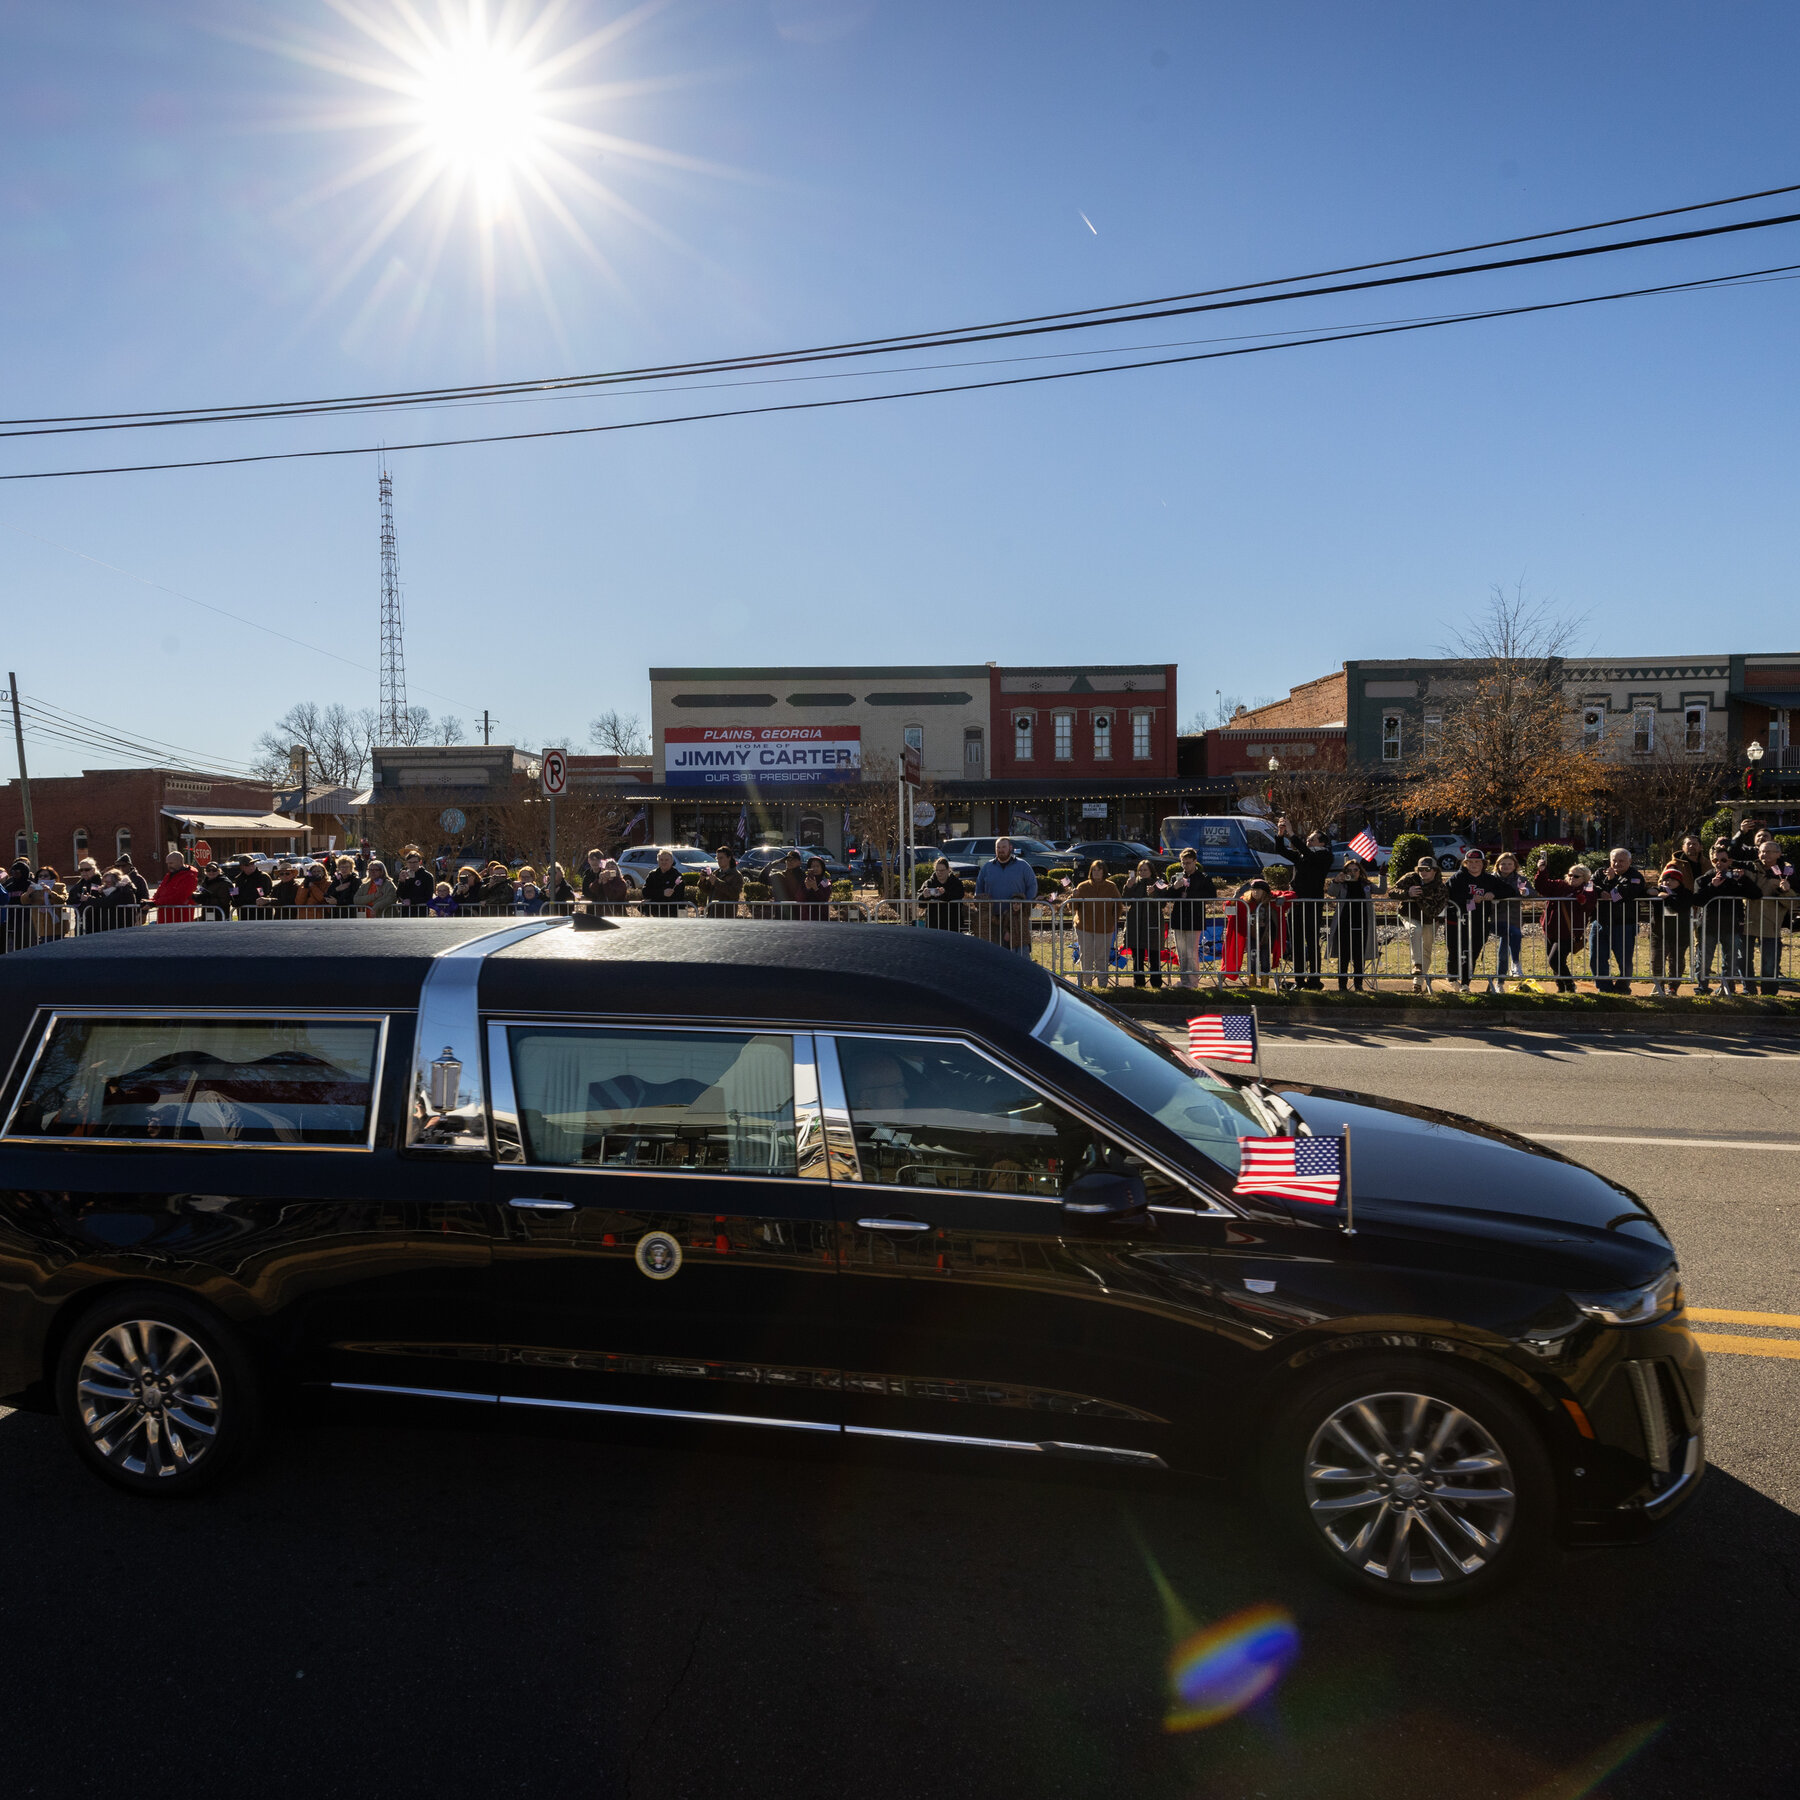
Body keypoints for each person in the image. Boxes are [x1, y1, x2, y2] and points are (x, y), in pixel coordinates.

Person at [1273, 818, 1334, 990]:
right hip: (1296, 902)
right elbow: (1280, 850)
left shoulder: (1325, 855)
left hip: (1312, 903)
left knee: (1312, 941)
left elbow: (1309, 855)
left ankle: (1314, 979)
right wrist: (1281, 833)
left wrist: (1292, 834)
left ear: (1322, 843)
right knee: (1297, 942)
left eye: (1312, 839)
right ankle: (1299, 979)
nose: (1308, 841)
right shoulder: (1302, 853)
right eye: (1307, 839)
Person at [1692, 841, 1759, 995]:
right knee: (1704, 960)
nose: (1719, 863)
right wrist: (1712, 887)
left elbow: (1756, 894)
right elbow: (1697, 900)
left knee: (1731, 959)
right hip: (1708, 926)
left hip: (1732, 925)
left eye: (1723, 860)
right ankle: (1702, 987)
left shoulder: (1736, 878)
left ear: (1729, 861)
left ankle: (1726, 986)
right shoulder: (1703, 879)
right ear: (1711, 861)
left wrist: (1742, 880)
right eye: (1715, 860)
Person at [1446, 848, 1509, 991]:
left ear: (1483, 864)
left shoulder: (1490, 880)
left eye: (1477, 862)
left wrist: (1493, 893)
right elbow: (1446, 895)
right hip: (1456, 922)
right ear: (1465, 863)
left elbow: (1509, 890)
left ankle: (1466, 983)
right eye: (1470, 862)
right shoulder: (1457, 878)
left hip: (1479, 923)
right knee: (1455, 951)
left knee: (1472, 953)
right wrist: (1469, 899)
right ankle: (1452, 978)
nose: (1474, 864)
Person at [1533, 860, 1598, 993]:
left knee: (1555, 960)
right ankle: (1561, 988)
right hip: (1550, 930)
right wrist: (1542, 870)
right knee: (1557, 962)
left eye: (1576, 876)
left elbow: (1589, 905)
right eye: (1569, 875)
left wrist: (1582, 899)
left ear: (1584, 878)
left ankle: (1569, 985)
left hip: (1569, 932)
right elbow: (1541, 886)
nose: (1571, 878)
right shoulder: (1559, 885)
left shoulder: (1588, 888)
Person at [1325, 854, 1382, 991]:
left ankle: (1358, 984)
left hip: (1362, 923)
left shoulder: (1365, 884)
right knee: (1344, 956)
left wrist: (1383, 875)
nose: (1352, 873)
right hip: (1344, 923)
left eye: (1355, 870)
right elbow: (1331, 893)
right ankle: (1342, 985)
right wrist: (1336, 881)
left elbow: (1381, 890)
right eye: (1349, 871)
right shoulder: (1342, 885)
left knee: (1359, 956)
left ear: (1360, 871)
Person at [973, 836, 1038, 956]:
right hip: (993, 918)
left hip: (1016, 918)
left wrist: (1025, 905)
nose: (1001, 850)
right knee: (995, 953)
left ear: (1010, 848)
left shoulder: (1023, 866)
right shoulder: (987, 867)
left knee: (1018, 955)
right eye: (998, 847)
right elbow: (979, 888)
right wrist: (980, 904)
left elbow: (1032, 886)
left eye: (1004, 847)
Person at [1395, 857, 1450, 992]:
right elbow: (1393, 891)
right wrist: (1408, 893)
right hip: (1409, 915)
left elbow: (1434, 912)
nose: (1423, 872)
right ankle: (1417, 964)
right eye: (1420, 869)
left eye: (1427, 869)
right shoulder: (1410, 878)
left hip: (1430, 920)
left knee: (1426, 950)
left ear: (1435, 871)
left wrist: (1419, 897)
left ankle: (1417, 983)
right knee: (1415, 929)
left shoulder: (1440, 888)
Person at [1165, 847, 1216, 988]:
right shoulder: (1177, 877)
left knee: (1191, 952)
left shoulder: (1203, 878)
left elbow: (1212, 895)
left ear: (1195, 861)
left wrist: (1190, 896)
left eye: (1188, 863)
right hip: (1179, 919)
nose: (1185, 866)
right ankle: (1184, 980)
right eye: (1183, 863)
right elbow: (1167, 897)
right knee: (1181, 952)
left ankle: (1192, 982)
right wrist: (1175, 887)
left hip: (1195, 918)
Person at [1066, 860, 1122, 989]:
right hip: (1084, 927)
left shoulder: (1111, 886)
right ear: (1091, 872)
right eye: (1094, 870)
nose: (1097, 873)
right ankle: (1087, 985)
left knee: (1102, 957)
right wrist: (1073, 897)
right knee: (1086, 955)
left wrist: (1113, 921)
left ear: (1104, 872)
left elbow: (1118, 906)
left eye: (1099, 870)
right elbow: (1072, 907)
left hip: (1104, 928)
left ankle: (1103, 985)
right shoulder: (1082, 886)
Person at [1749, 841, 1794, 996]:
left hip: (1771, 925)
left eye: (1768, 852)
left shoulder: (1787, 872)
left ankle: (1769, 994)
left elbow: (1794, 904)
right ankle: (1749, 990)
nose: (1764, 855)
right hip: (1747, 923)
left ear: (1778, 854)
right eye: (1761, 851)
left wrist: (1785, 891)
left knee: (1769, 964)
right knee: (1743, 961)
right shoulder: (1750, 869)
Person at [1224, 878, 1286, 988]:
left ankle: (1265, 984)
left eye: (1259, 890)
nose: (1256, 892)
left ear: (1265, 892)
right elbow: (1228, 909)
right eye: (1254, 890)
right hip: (1251, 936)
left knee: (1265, 959)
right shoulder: (1245, 902)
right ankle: (1252, 983)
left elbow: (1292, 894)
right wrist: (1235, 897)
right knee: (1252, 959)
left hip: (1266, 937)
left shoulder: (1271, 901)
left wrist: (1283, 898)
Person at [1648, 862, 1695, 997]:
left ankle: (1673, 987)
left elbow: (1681, 906)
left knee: (1676, 961)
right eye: (1665, 879)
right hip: (1659, 932)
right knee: (1657, 959)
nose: (1668, 882)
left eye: (1672, 879)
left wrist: (1668, 898)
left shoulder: (1686, 893)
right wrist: (1650, 892)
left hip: (1680, 933)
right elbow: (1645, 895)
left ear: (1679, 881)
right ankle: (1659, 986)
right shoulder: (1658, 891)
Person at [1118, 859, 1165, 988]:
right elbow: (1126, 902)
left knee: (1154, 957)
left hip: (1153, 924)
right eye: (1140, 870)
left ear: (1151, 871)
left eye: (1145, 870)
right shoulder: (1134, 882)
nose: (1143, 872)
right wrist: (1127, 887)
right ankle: (1139, 984)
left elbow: (1163, 903)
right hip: (1135, 924)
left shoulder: (1159, 882)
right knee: (1137, 957)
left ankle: (1156, 984)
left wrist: (1153, 893)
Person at [1489, 852, 1529, 986]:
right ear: (1498, 865)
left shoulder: (1520, 879)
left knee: (1503, 953)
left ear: (1515, 866)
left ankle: (1500, 983)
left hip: (1514, 918)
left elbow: (1533, 892)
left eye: (1509, 864)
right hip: (1496, 919)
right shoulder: (1491, 878)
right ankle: (1516, 962)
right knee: (1514, 934)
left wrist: (1525, 893)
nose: (1506, 866)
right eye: (1503, 864)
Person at [918, 855, 967, 932]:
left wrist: (944, 893)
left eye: (942, 870)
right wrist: (924, 895)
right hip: (934, 925)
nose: (939, 873)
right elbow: (920, 903)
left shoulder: (956, 883)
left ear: (948, 870)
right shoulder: (929, 883)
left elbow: (959, 895)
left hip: (953, 924)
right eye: (937, 870)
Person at [150, 850, 201, 923]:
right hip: (164, 918)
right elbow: (159, 892)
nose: (169, 866)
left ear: (180, 862)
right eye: (167, 863)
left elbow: (179, 898)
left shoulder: (189, 876)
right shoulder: (170, 875)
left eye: (171, 863)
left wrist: (155, 903)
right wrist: (150, 901)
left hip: (180, 919)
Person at [640, 848, 688, 916]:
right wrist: (662, 893)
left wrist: (655, 897)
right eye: (661, 860)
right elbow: (645, 891)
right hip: (656, 913)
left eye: (666, 860)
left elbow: (679, 894)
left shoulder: (677, 875)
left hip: (673, 913)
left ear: (671, 861)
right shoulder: (653, 875)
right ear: (658, 861)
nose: (664, 862)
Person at [768, 850, 806, 920]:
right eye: (788, 860)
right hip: (781, 913)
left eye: (793, 860)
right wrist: (776, 862)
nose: (790, 862)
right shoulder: (779, 875)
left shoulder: (804, 877)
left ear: (799, 862)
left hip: (798, 914)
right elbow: (762, 878)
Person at [395, 848, 436, 913]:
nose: (412, 865)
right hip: (405, 912)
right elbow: (399, 895)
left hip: (421, 912)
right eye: (410, 862)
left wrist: (412, 901)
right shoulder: (404, 874)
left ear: (420, 862)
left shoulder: (427, 876)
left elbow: (428, 897)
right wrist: (401, 882)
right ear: (406, 863)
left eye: (415, 862)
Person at [799, 854, 833, 922]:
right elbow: (799, 897)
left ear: (822, 868)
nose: (815, 869)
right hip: (807, 916)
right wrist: (807, 888)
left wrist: (815, 888)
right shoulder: (805, 881)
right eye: (813, 866)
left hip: (821, 916)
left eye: (817, 866)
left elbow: (825, 898)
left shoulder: (826, 881)